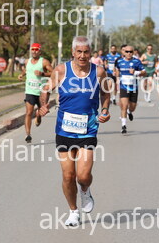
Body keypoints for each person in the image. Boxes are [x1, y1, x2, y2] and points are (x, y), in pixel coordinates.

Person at [38, 36, 111, 227]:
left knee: (83, 176)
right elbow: (45, 89)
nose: (82, 56)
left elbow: (105, 93)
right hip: (64, 130)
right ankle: (73, 211)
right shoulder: (61, 70)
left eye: (86, 52)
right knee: (68, 176)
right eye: (79, 52)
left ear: (90, 53)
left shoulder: (99, 72)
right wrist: (43, 105)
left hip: (88, 130)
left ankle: (85, 190)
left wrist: (105, 110)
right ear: (73, 52)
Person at [18, 43, 53, 143]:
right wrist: (21, 75)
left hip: (42, 92)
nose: (34, 51)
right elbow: (27, 70)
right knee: (29, 112)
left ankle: (38, 116)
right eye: (32, 49)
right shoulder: (27, 61)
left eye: (36, 49)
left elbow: (53, 72)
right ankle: (28, 134)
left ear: (40, 51)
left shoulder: (44, 62)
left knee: (41, 111)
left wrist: (42, 73)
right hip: (30, 91)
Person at [114, 45, 146, 134]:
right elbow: (117, 70)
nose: (128, 53)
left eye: (130, 52)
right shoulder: (119, 61)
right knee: (124, 106)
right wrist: (117, 78)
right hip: (123, 87)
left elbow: (144, 72)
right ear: (124, 52)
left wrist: (136, 72)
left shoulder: (136, 61)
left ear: (133, 52)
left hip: (134, 88)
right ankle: (123, 126)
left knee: (132, 107)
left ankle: (129, 111)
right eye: (127, 51)